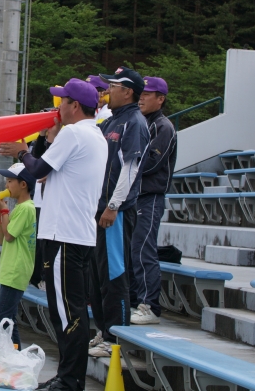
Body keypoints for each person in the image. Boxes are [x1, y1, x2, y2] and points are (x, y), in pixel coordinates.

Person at [0, 78, 107, 391]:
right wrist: (45, 140)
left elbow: (36, 171)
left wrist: (22, 151)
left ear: (75, 105)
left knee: (66, 312)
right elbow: (48, 169)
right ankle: (68, 377)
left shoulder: (74, 133)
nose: (58, 108)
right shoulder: (95, 135)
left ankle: (70, 380)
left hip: (64, 234)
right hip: (77, 234)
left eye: (63, 102)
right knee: (71, 309)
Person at [88, 66, 150, 358]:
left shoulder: (135, 122)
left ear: (127, 92)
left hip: (117, 211)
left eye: (112, 86)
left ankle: (116, 339)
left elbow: (130, 168)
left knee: (115, 275)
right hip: (99, 208)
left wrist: (113, 206)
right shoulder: (112, 120)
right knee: (98, 275)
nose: (107, 91)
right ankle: (103, 330)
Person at [129, 76, 177, 325]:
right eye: (141, 93)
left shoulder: (163, 126)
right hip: (135, 196)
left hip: (151, 197)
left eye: (148, 94)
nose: (142, 98)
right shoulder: (142, 122)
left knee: (143, 249)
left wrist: (125, 166)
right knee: (132, 250)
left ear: (161, 99)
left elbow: (151, 162)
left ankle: (150, 305)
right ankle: (135, 299)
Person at [0, 163, 37, 349]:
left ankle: (13, 356)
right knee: (7, 319)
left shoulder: (26, 208)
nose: (6, 185)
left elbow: (9, 235)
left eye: (10, 181)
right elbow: (1, 239)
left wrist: (3, 211)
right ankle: (14, 356)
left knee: (2, 318)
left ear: (23, 184)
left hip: (15, 270)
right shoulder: (20, 208)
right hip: (10, 269)